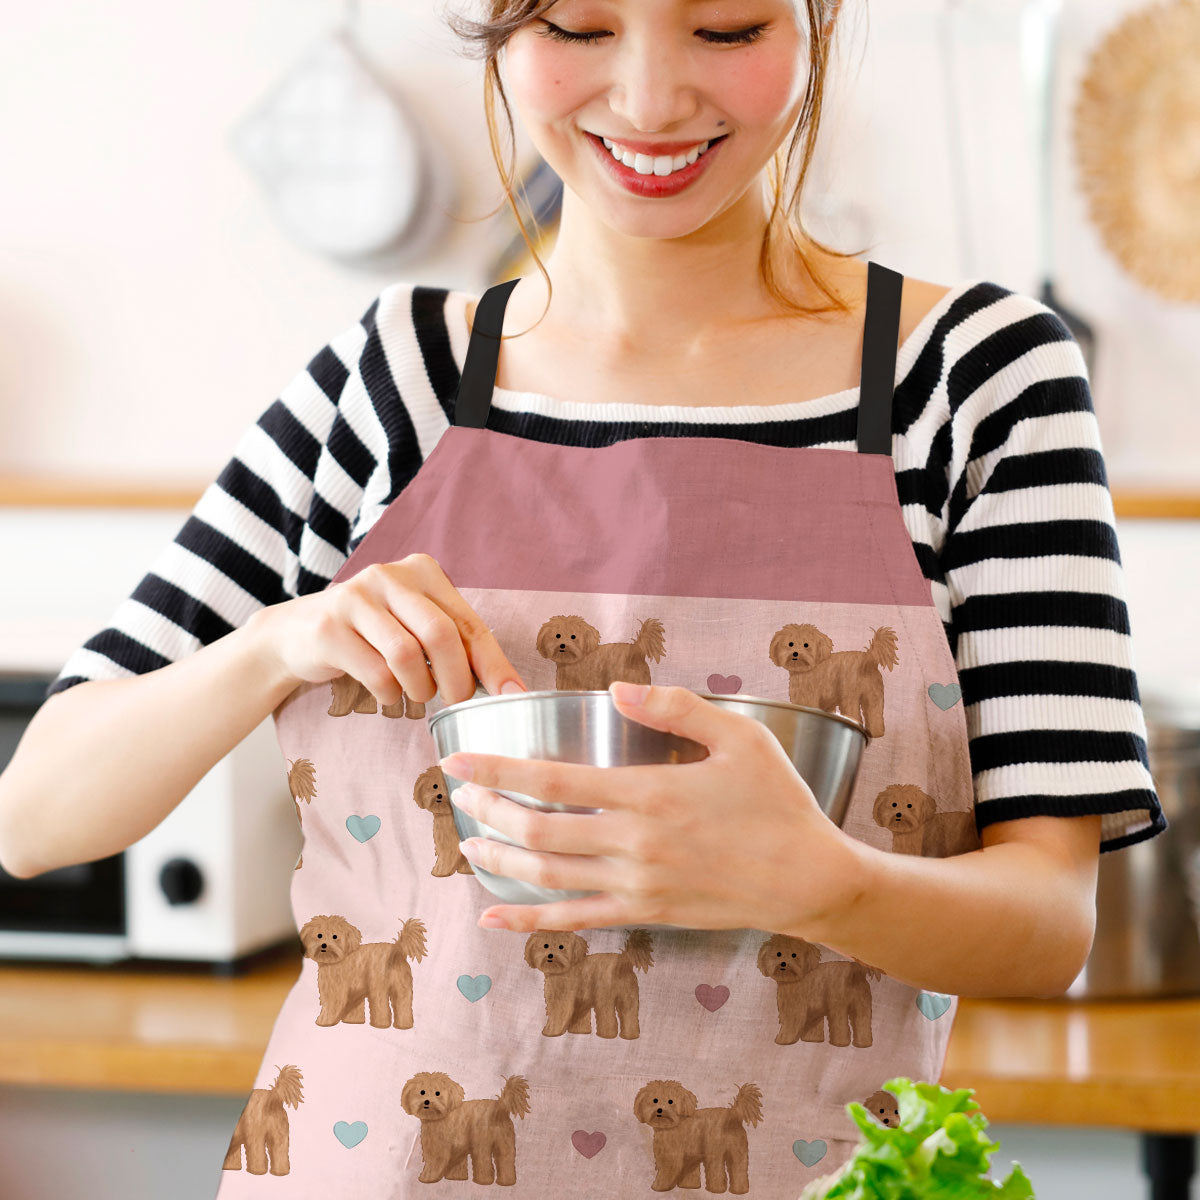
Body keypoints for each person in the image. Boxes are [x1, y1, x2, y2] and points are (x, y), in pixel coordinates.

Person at [0, 0, 1166, 1195]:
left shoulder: (975, 381)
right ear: (499, 32)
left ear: (816, 23)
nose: (653, 100)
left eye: (727, 29)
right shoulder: (392, 380)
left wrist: (820, 883)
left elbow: (1047, 923)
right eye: (578, 25)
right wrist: (273, 643)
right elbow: (35, 816)